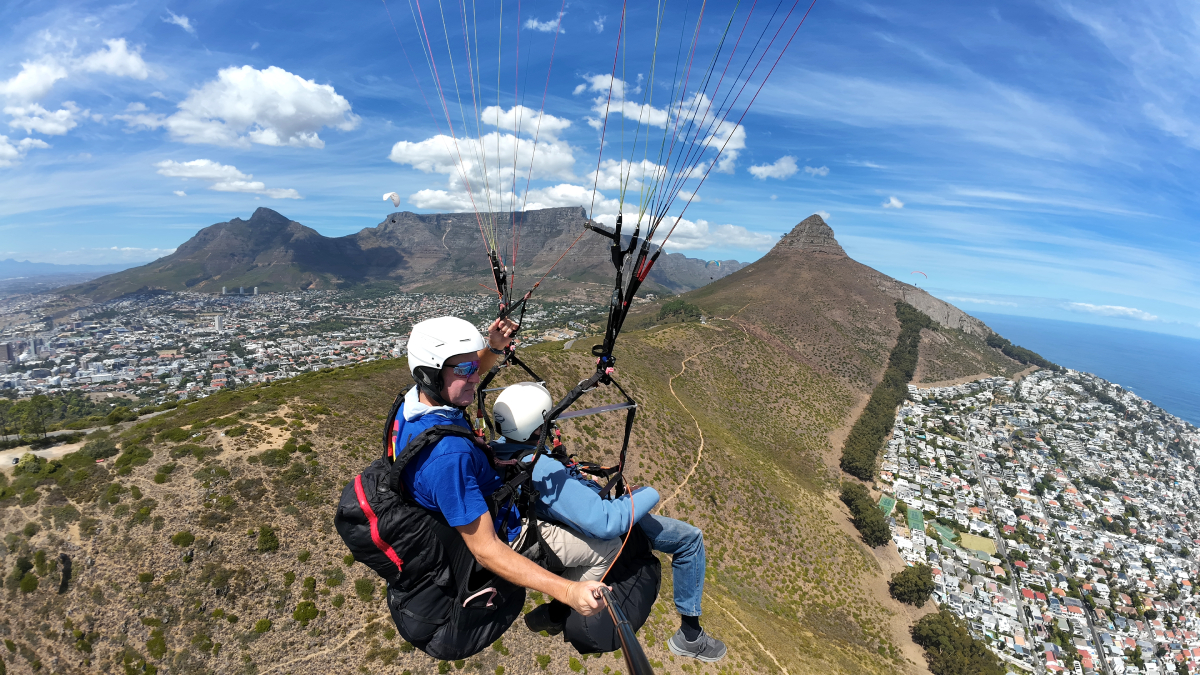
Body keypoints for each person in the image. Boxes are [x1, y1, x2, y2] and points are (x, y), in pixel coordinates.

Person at [393, 315, 612, 622]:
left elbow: (463, 373)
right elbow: (486, 549)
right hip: (504, 531)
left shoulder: (415, 403)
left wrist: (493, 348)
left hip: (479, 494)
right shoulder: (446, 456)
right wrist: (567, 592)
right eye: (466, 369)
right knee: (606, 546)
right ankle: (558, 617)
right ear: (430, 373)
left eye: (473, 366)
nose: (474, 377)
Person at [491, 381, 728, 663]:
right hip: (588, 521)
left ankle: (555, 613)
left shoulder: (501, 451)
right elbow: (605, 522)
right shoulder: (540, 466)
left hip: (551, 519)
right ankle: (690, 635)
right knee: (689, 539)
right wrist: (648, 492)